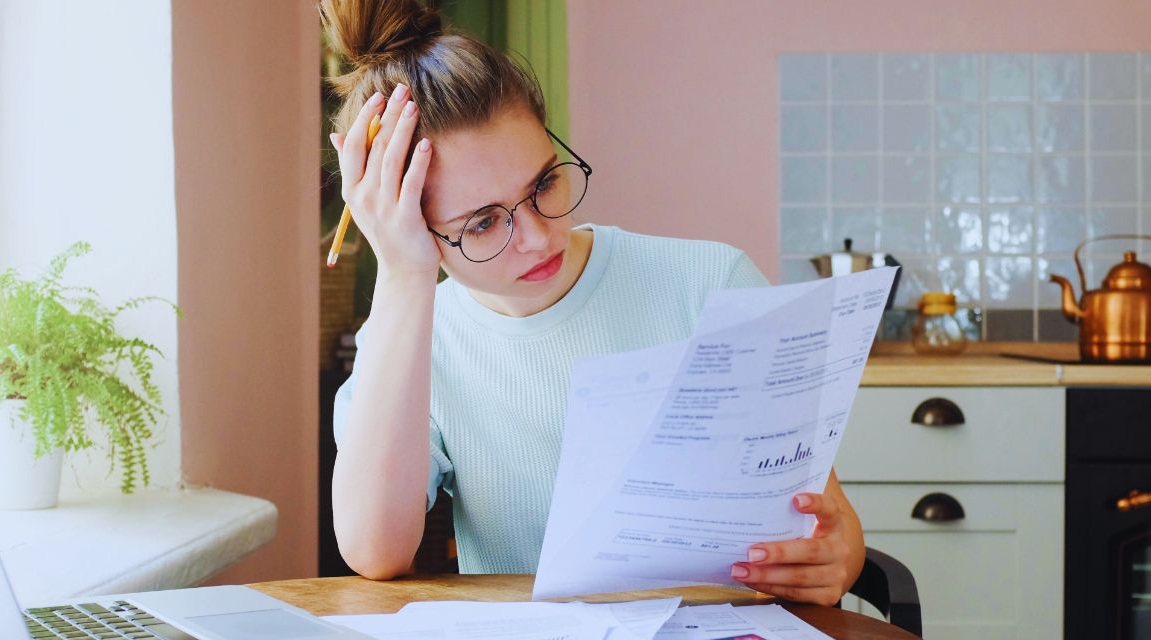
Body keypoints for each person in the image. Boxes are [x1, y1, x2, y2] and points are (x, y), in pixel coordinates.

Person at [323, 0, 864, 606]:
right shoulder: (413, 336)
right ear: (411, 228)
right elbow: (374, 550)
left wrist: (835, 558)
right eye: (481, 224)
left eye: (544, 184)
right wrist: (401, 274)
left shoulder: (712, 282)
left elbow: (830, 520)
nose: (536, 235)